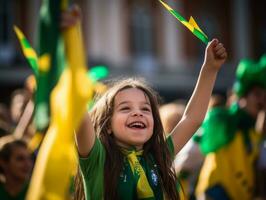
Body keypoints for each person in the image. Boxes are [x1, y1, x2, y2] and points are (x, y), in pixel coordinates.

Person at [62, 5, 227, 200]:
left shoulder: (157, 157)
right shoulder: (97, 159)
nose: (138, 113)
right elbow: (77, 107)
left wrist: (210, 69)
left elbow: (192, 119)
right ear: (107, 126)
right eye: (125, 108)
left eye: (145, 109)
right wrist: (69, 43)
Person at [195, 55, 266, 200]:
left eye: (264, 96)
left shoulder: (255, 132)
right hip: (214, 194)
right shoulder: (225, 121)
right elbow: (204, 143)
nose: (261, 100)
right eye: (257, 94)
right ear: (243, 96)